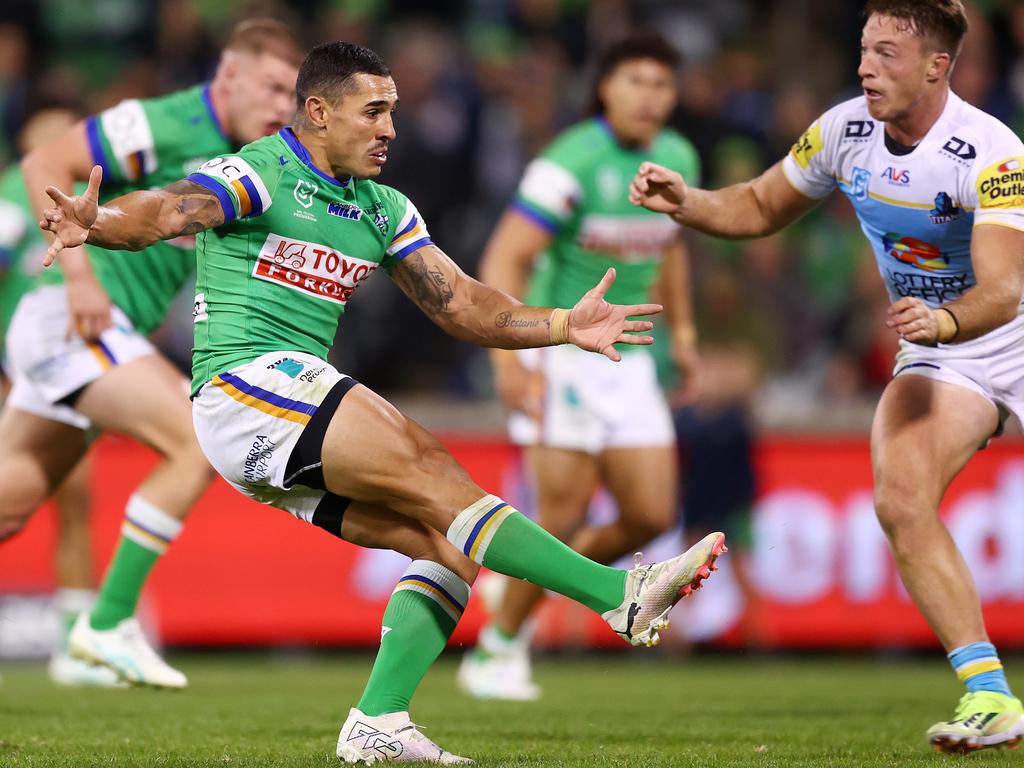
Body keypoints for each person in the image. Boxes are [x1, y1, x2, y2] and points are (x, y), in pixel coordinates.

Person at [39, 41, 727, 763]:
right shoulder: (262, 172)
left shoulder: (382, 206)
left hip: (276, 416)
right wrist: (104, 223)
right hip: (246, 386)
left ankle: (379, 722)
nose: (390, 128)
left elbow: (461, 304)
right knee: (429, 461)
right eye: (373, 110)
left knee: (444, 544)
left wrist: (562, 325)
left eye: (393, 111)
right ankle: (618, 594)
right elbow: (173, 209)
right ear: (318, 110)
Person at [630, 0, 1024, 753]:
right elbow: (757, 206)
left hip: (1002, 327)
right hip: (944, 352)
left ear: (937, 68)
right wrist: (689, 202)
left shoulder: (993, 152)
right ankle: (989, 695)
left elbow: (1004, 289)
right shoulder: (844, 131)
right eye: (863, 50)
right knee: (900, 498)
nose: (864, 67)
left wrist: (940, 320)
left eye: (885, 55)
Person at [0, 18, 303, 688]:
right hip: (69, 318)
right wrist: (77, 279)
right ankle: (106, 624)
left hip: (101, 336)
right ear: (228, 75)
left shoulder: (252, 162)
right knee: (195, 441)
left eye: (294, 92)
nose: (284, 106)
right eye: (273, 87)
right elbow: (40, 162)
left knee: (10, 505)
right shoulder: (164, 123)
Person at [458, 32, 701, 702]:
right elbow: (505, 258)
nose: (649, 97)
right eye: (635, 82)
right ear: (604, 88)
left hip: (633, 362)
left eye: (661, 85)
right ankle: (500, 648)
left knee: (651, 513)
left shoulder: (678, 156)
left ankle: (530, 579)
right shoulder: (566, 163)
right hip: (564, 353)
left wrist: (682, 332)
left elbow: (672, 247)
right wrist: (510, 359)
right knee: (560, 515)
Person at [0, 106, 121, 687]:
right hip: (14, 370)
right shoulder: (9, 197)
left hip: (61, 370)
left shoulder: (91, 211)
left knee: (74, 501)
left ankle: (76, 645)